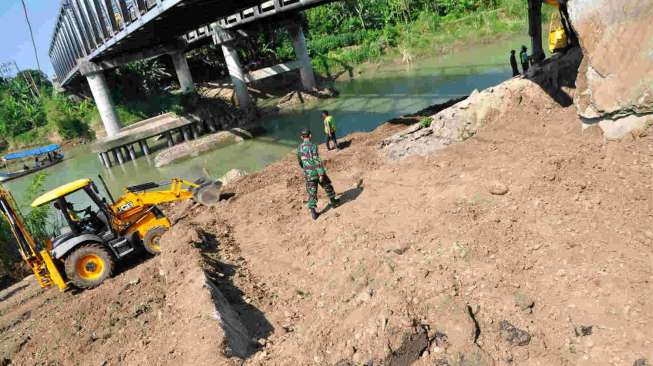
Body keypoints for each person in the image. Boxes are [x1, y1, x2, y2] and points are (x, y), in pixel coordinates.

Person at [297, 128, 338, 220]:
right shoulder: (313, 146)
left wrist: (305, 169)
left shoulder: (299, 148)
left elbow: (300, 161)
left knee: (312, 193)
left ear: (301, 137)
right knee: (327, 186)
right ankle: (334, 202)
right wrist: (321, 174)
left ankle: (313, 213)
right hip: (316, 172)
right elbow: (316, 160)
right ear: (310, 136)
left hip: (308, 174)